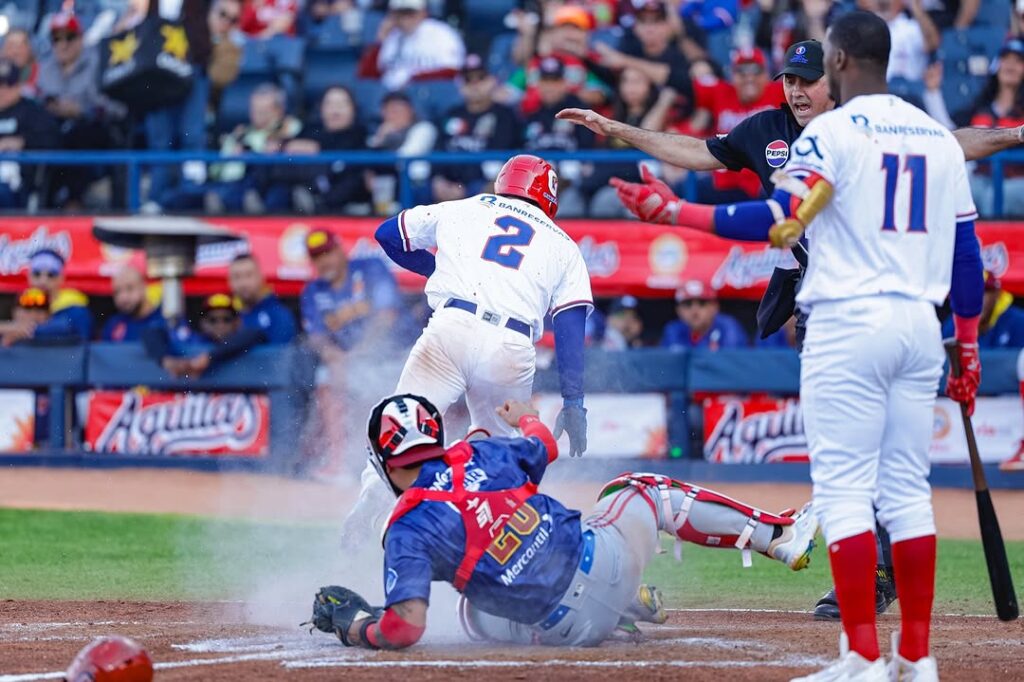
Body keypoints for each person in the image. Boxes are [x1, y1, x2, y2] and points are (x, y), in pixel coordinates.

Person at [558, 37, 1024, 622]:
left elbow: (951, 147)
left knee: (856, 462)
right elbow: (696, 151)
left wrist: (1014, 134)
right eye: (790, 80)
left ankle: (875, 590)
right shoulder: (767, 130)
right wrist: (616, 128)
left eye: (808, 80)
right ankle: (887, 604)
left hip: (860, 301)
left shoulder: (861, 127)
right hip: (832, 302)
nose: (797, 90)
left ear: (837, 75)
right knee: (866, 460)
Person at [303, 393, 819, 649]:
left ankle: (617, 617)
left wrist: (358, 627)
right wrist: (524, 414)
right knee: (638, 490)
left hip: (567, 631)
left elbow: (405, 628)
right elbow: (545, 444)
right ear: (437, 439)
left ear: (381, 462)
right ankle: (781, 536)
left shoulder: (405, 528)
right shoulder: (475, 455)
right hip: (610, 563)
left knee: (472, 605)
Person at [339, 154, 594, 555]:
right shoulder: (564, 245)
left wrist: (440, 270)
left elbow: (388, 233)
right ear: (549, 196)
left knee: (403, 423)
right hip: (510, 347)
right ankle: (481, 548)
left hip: (451, 327)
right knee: (496, 458)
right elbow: (569, 326)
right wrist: (574, 400)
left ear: (502, 182)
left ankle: (374, 500)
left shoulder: (466, 206)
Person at [301, 227, 400, 475]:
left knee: (366, 381)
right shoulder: (313, 292)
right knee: (327, 378)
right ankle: (339, 462)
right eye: (317, 257)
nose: (324, 261)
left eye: (328, 252)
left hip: (397, 354)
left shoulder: (370, 269)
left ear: (340, 250)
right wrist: (335, 357)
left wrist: (355, 357)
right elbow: (317, 338)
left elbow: (386, 318)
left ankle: (377, 462)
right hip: (354, 365)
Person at [37, 12, 126, 210]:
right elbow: (38, 101)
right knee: (50, 139)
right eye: (56, 39)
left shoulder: (98, 61)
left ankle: (73, 201)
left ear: (80, 38)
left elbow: (116, 107)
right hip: (57, 129)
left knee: (77, 136)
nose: (63, 44)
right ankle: (44, 208)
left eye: (69, 37)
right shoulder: (46, 67)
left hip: (95, 128)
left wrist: (82, 110)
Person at [430, 54, 521, 203]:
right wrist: (439, 180)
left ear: (492, 81)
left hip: (483, 186)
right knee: (421, 188)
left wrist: (462, 190)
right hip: (448, 184)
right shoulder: (451, 114)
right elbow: (438, 150)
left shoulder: (505, 115)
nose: (475, 85)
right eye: (468, 80)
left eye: (481, 78)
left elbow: (502, 155)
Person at [285, 86, 369, 213]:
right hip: (306, 200)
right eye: (330, 104)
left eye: (341, 105)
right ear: (321, 108)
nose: (335, 111)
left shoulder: (361, 135)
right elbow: (286, 149)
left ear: (353, 109)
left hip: (349, 206)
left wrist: (319, 150)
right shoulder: (311, 130)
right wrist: (289, 146)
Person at [966, 39, 1024, 217]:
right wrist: (933, 93)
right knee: (957, 187)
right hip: (981, 178)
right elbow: (950, 132)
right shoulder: (979, 107)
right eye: (1006, 59)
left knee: (992, 196)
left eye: (1018, 61)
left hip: (1016, 181)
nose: (1011, 65)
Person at [357, 0, 465, 91]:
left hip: (429, 92)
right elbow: (366, 76)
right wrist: (379, 43)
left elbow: (452, 71)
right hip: (392, 97)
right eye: (400, 13)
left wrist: (412, 81)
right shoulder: (390, 37)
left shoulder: (441, 33)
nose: (405, 19)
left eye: (410, 13)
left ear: (423, 12)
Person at [0, 57, 60, 208]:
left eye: (9, 84)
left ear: (19, 86)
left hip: (18, 185)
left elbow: (54, 140)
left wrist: (23, 142)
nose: (3, 90)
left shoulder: (33, 111)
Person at [4, 249, 93, 344]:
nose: (43, 281)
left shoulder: (75, 307)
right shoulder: (24, 302)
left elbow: (66, 328)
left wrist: (19, 330)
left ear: (61, 278)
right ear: (29, 277)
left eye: (51, 274)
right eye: (37, 274)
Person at [941, 272, 1024, 349]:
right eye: (970, 291)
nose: (977, 298)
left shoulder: (1018, 322)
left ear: (997, 293)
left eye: (984, 291)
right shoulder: (952, 326)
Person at [661, 280, 747, 350]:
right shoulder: (673, 330)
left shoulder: (728, 327)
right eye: (688, 304)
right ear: (678, 310)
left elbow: (732, 364)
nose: (694, 310)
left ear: (714, 307)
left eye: (702, 303)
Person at [101, 266, 163, 342]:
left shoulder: (164, 321)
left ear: (143, 287)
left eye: (129, 288)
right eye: (117, 292)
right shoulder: (113, 325)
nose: (123, 297)